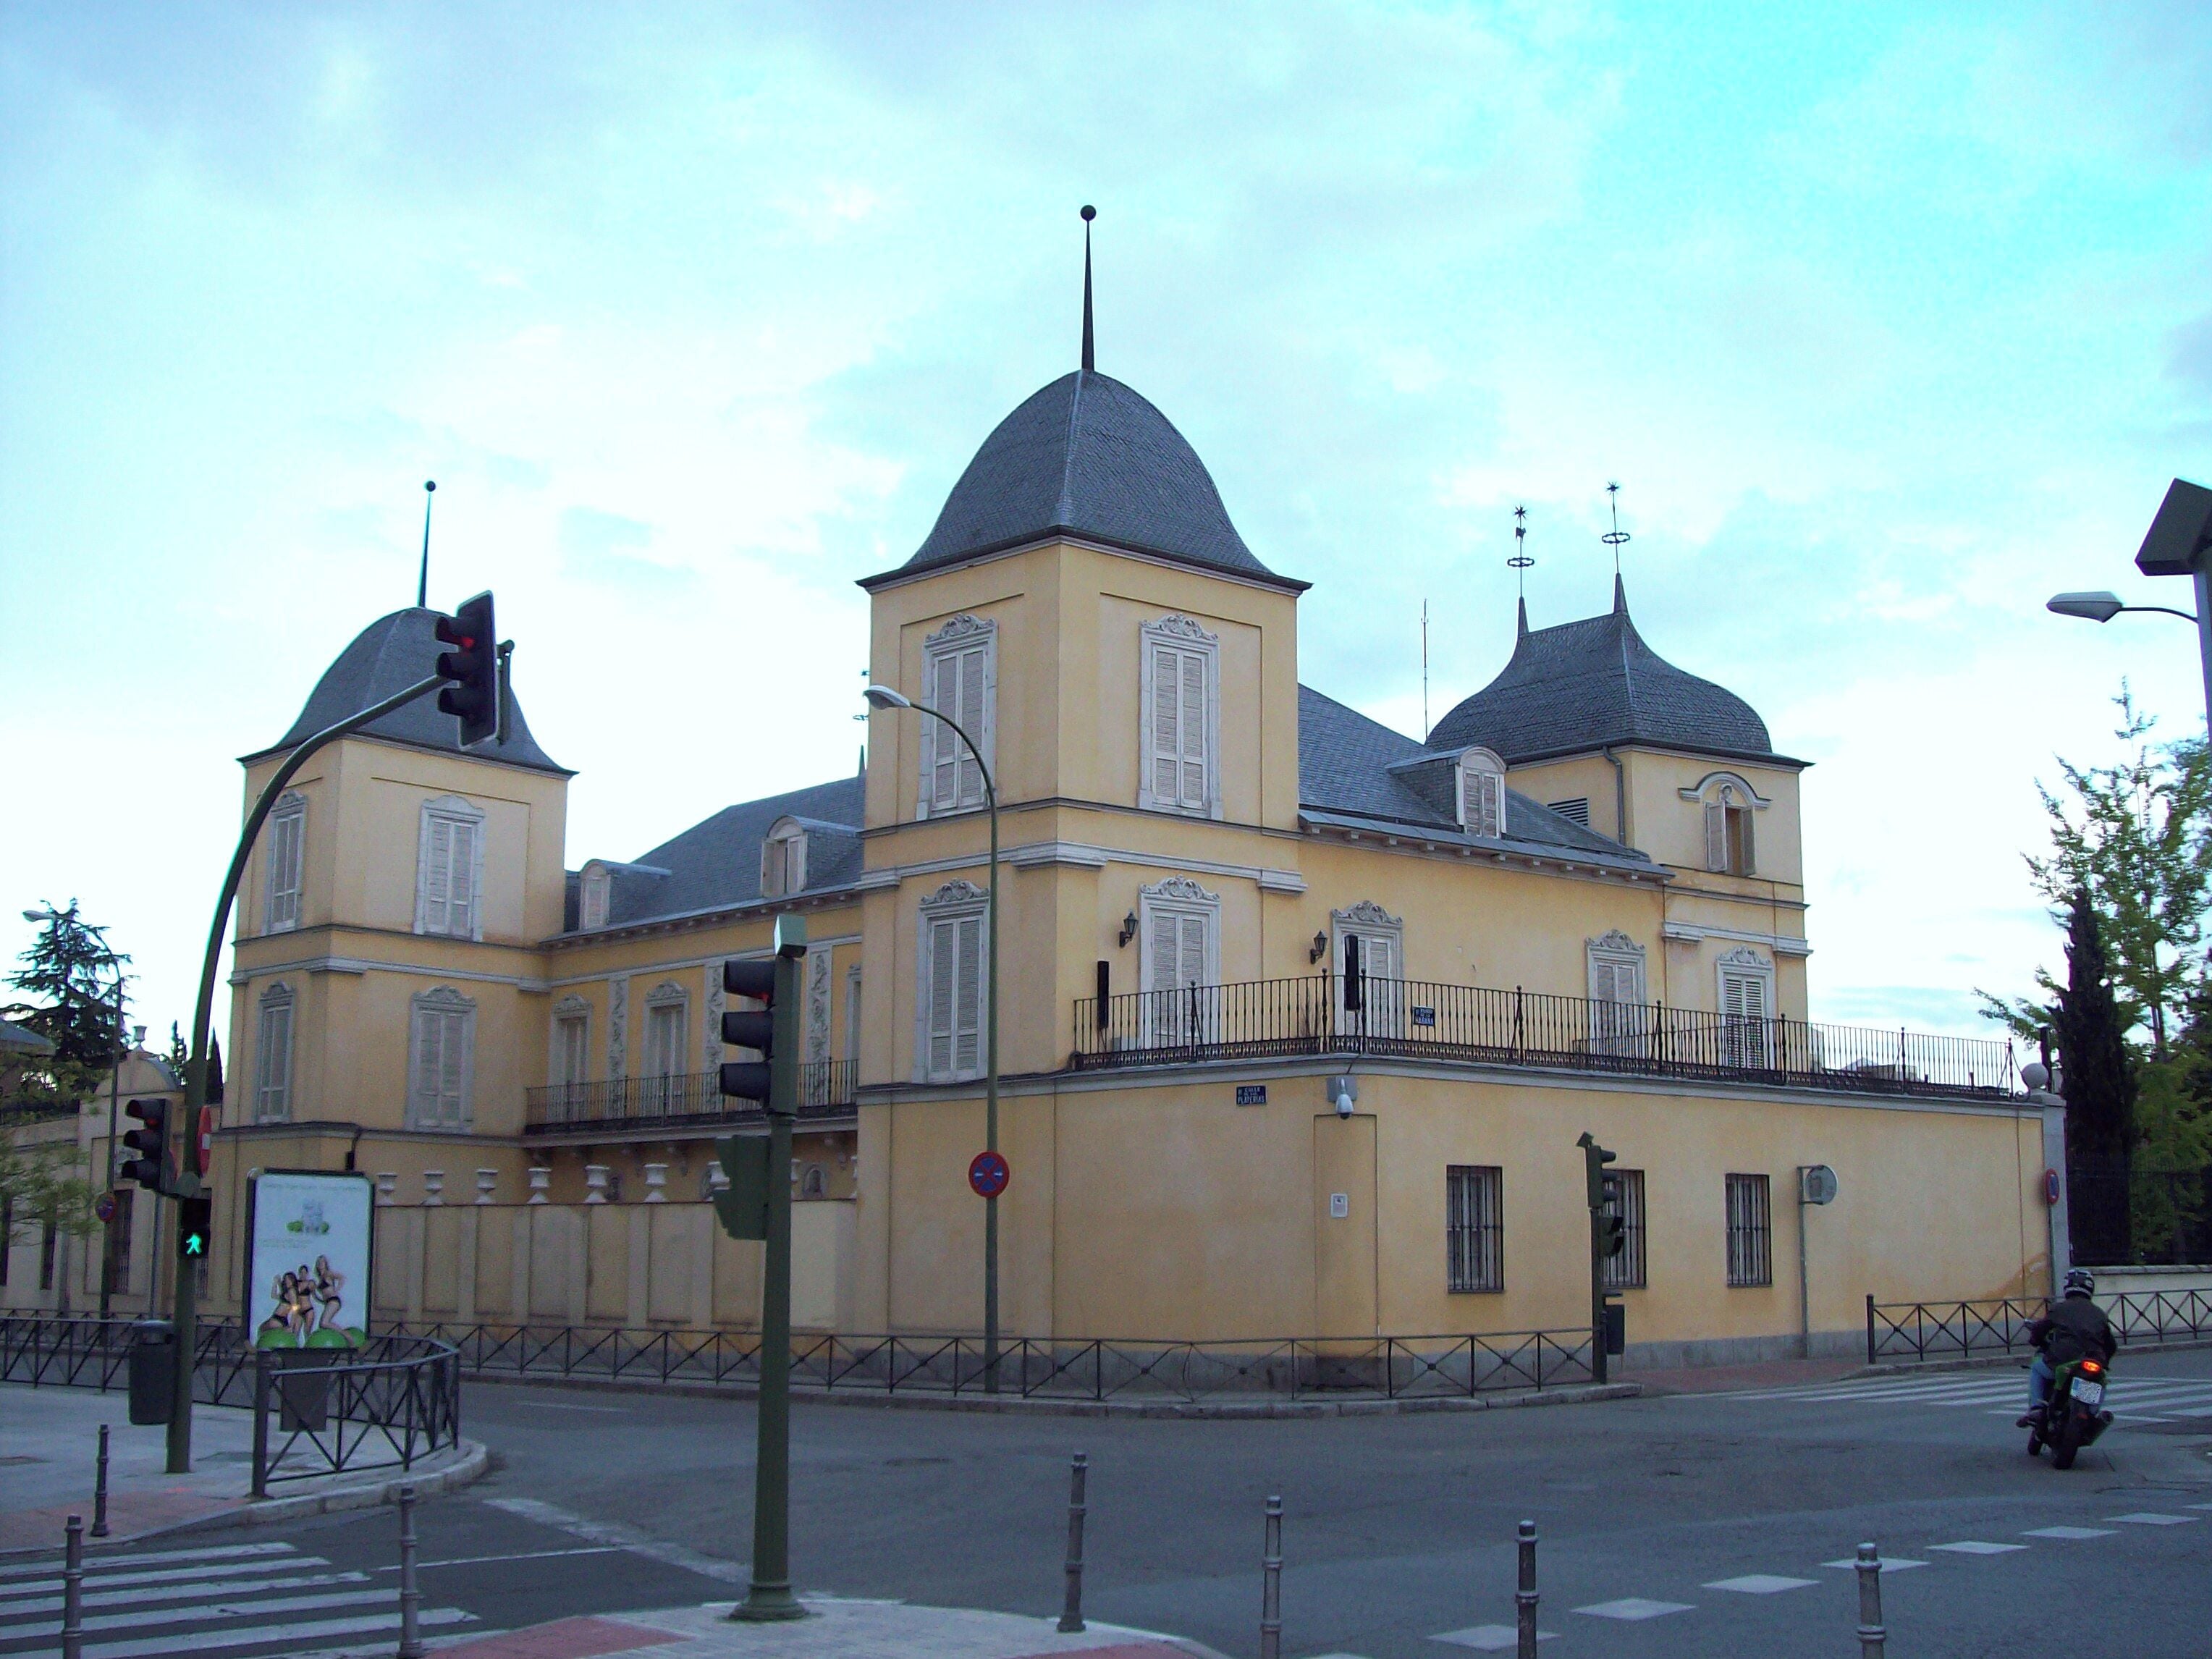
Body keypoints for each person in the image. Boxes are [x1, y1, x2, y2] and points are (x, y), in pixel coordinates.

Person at [2017, 1267, 2116, 1427]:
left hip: (2062, 1360)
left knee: (2037, 1368)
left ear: (2067, 1287)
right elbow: (2111, 1344)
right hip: (2092, 1360)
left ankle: (2036, 1408)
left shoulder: (2059, 1308)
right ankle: (2091, 1413)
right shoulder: (2099, 1313)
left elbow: (2040, 1329)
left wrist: (2035, 1340)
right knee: (2098, 1381)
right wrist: (2104, 1362)